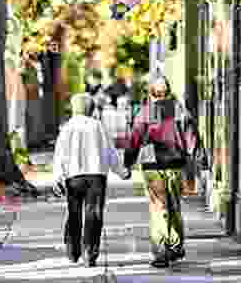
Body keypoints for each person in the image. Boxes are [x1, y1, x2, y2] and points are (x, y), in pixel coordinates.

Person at [124, 76, 198, 268]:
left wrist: (128, 161)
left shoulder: (146, 112)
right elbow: (191, 138)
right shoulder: (179, 110)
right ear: (169, 91)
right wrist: (199, 160)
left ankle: (161, 251)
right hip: (174, 164)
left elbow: (135, 139)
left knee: (159, 209)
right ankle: (175, 246)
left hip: (152, 166)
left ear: (151, 93)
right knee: (174, 206)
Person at [52, 93, 132, 267]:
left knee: (74, 212)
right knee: (93, 213)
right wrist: (121, 172)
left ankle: (73, 249)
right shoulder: (98, 126)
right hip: (96, 176)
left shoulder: (67, 127)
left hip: (73, 176)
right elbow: (110, 152)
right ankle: (90, 251)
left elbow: (60, 154)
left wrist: (57, 177)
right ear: (90, 109)